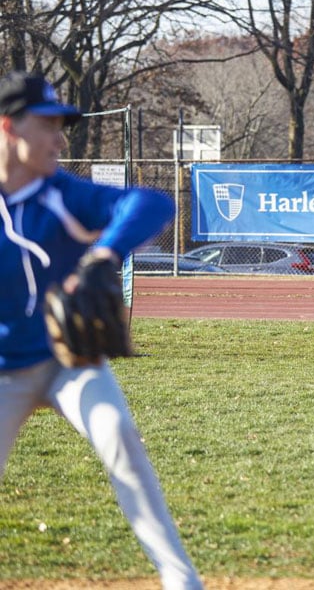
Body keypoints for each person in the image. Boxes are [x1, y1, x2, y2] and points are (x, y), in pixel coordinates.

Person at [0, 71, 203, 590]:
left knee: (118, 433)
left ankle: (181, 579)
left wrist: (105, 253)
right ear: (8, 127)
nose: (60, 137)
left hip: (68, 362)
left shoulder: (61, 194)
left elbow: (152, 204)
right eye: (47, 124)